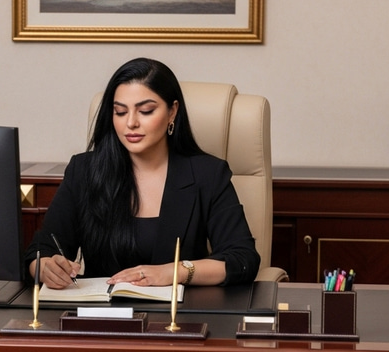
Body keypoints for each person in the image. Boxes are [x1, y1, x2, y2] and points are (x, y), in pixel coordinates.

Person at [24, 58, 261, 289]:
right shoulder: (84, 171)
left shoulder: (207, 174)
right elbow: (40, 252)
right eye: (120, 112)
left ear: (172, 112)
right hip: (102, 318)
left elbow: (242, 259)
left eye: (146, 111)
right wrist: (44, 267)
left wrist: (173, 272)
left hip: (179, 318)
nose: (131, 123)